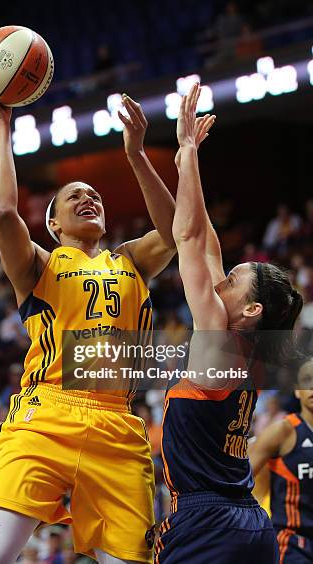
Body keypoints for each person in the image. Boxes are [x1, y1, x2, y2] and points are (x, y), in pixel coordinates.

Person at [0, 70, 178, 564]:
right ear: (53, 223)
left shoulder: (130, 258)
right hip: (45, 416)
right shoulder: (38, 263)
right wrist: (2, 126)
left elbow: (175, 231)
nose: (89, 198)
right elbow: (3, 213)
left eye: (96, 196)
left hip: (117, 428)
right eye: (74, 197)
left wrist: (136, 156)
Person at [155, 83, 303, 563]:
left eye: (239, 277)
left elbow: (187, 236)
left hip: (206, 522)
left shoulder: (217, 341)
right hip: (248, 523)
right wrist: (186, 161)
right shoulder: (244, 345)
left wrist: (187, 152)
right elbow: (210, 246)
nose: (229, 272)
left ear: (252, 309)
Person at [249, 358, 313, 563]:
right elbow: (238, 480)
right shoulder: (284, 431)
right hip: (293, 541)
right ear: (297, 390)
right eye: (307, 380)